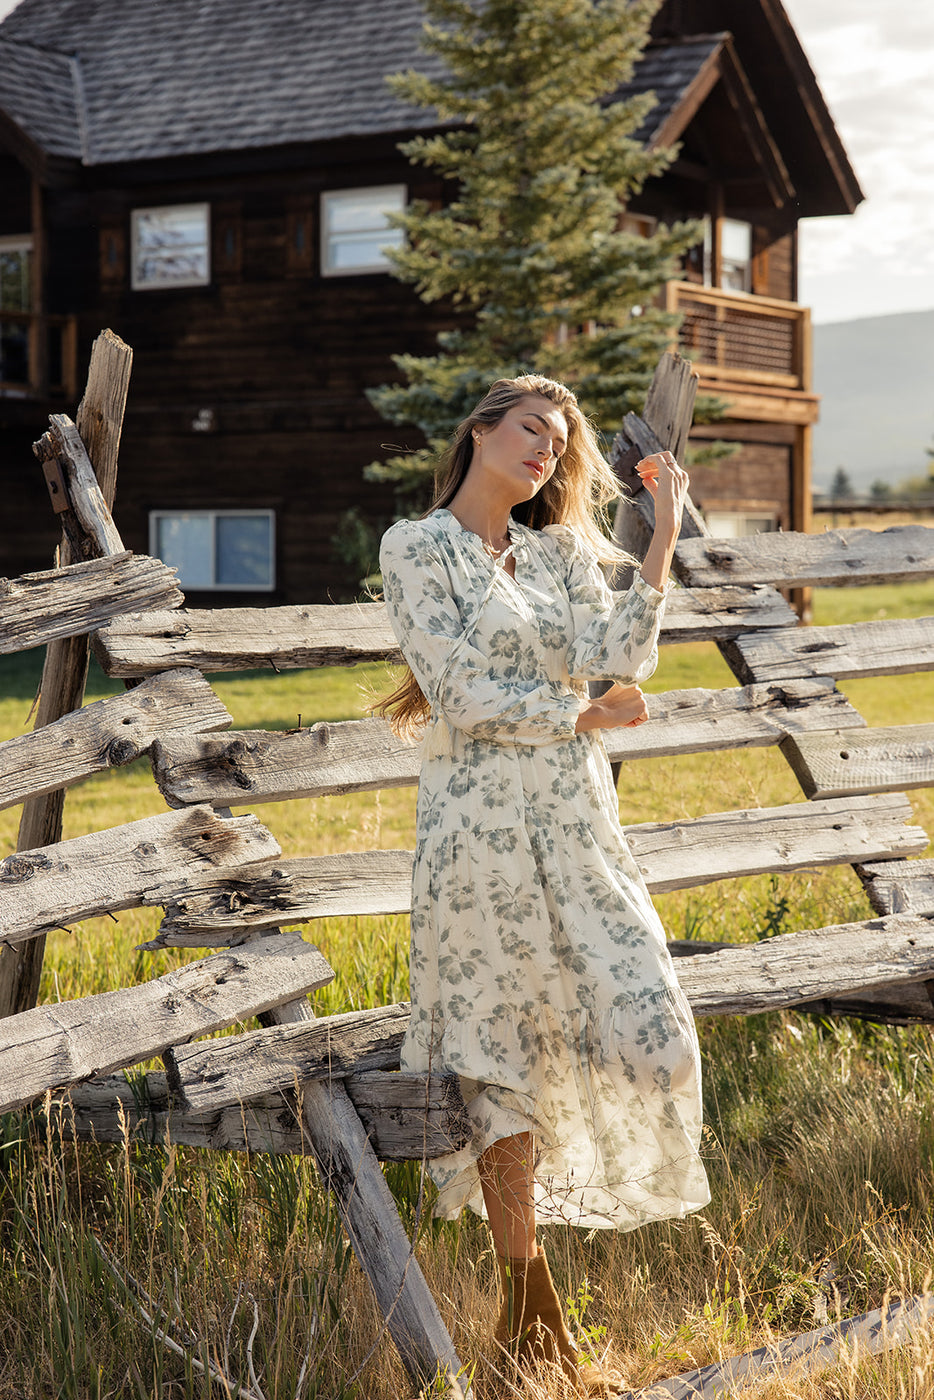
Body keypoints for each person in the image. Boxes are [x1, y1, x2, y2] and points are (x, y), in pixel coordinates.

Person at [377, 375, 709, 1395]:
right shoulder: (414, 547)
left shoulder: (562, 551)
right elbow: (457, 689)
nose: (544, 450)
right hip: (476, 834)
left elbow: (617, 654)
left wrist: (658, 536)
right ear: (479, 428)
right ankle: (533, 1311)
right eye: (530, 428)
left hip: (573, 824)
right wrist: (578, 717)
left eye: (557, 440)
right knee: (501, 1059)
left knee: (650, 1021)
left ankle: (537, 1314)